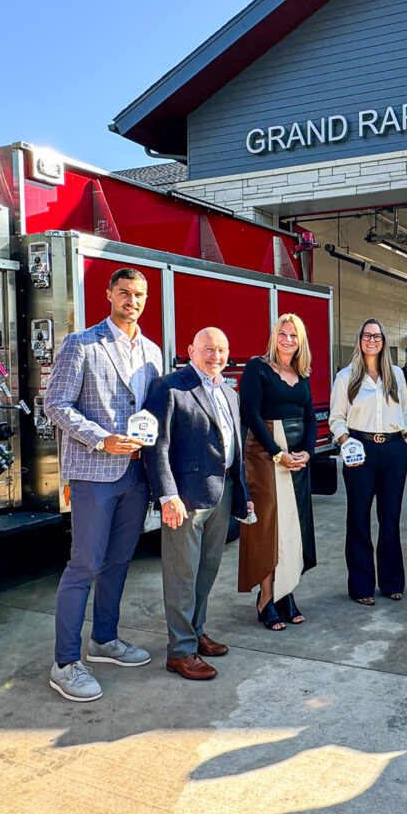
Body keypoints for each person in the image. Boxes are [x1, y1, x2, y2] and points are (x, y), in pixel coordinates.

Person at [44, 268, 163, 703]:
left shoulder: (152, 351)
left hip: (136, 473)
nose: (133, 300)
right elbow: (55, 404)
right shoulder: (82, 343)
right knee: (85, 564)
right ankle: (65, 663)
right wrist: (100, 439)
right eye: (125, 292)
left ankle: (105, 640)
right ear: (110, 294)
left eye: (140, 294)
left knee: (118, 562)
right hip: (94, 472)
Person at [143, 327, 253, 682]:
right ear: (191, 350)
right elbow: (156, 445)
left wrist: (243, 495)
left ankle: (196, 631)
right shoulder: (170, 387)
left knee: (206, 570)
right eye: (208, 349)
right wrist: (167, 495)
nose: (215, 356)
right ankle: (180, 651)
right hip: (185, 498)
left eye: (221, 350)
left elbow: (234, 449)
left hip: (221, 494)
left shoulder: (229, 392)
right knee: (181, 574)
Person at [238, 314, 317, 631]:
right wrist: (277, 453)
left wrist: (307, 453)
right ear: (274, 337)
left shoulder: (303, 374)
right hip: (265, 457)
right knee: (269, 527)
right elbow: (250, 413)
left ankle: (286, 592)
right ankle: (266, 598)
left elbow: (310, 418)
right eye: (282, 334)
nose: (287, 339)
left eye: (293, 335)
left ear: (301, 342)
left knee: (293, 527)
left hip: (296, 460)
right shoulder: (257, 368)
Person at [330, 319, 407, 604]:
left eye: (377, 336)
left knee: (390, 518)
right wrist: (345, 443)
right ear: (360, 340)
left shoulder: (396, 375)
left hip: (393, 450)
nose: (371, 340)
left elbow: (406, 411)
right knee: (358, 518)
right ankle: (361, 587)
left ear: (383, 341)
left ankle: (392, 583)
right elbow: (337, 419)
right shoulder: (345, 377)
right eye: (366, 335)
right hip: (360, 450)